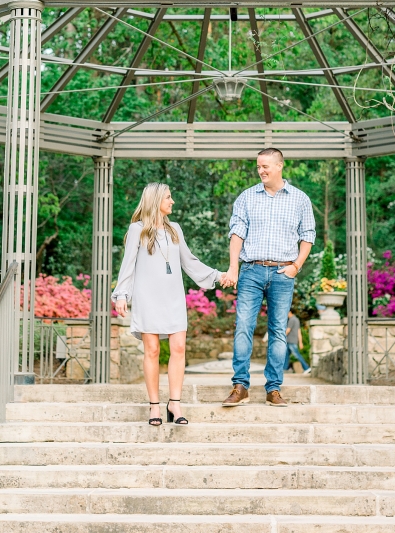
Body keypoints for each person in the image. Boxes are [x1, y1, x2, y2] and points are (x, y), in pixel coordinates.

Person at [112, 182, 227, 426]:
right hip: (147, 298)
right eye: (168, 197)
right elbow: (128, 265)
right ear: (155, 201)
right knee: (152, 351)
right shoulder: (137, 229)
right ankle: (154, 405)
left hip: (173, 297)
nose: (172, 201)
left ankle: (174, 403)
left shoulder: (175, 229)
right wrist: (122, 295)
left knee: (179, 348)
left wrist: (218, 275)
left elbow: (190, 261)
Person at [220, 148, 315, 407]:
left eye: (265, 166)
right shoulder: (247, 197)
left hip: (284, 272)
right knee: (243, 327)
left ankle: (273, 389)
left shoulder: (300, 199)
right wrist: (233, 268)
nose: (261, 171)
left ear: (279, 166)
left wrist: (296, 265)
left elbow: (308, 235)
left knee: (277, 332)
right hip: (251, 270)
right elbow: (236, 233)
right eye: (258, 167)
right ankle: (240, 386)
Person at [285, 309, 311, 374]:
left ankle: (306, 367)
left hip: (290, 340)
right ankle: (284, 369)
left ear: (290, 312)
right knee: (286, 355)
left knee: (297, 355)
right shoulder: (296, 320)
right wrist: (300, 342)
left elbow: (287, 331)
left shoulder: (291, 320)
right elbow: (299, 332)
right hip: (292, 341)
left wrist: (280, 337)